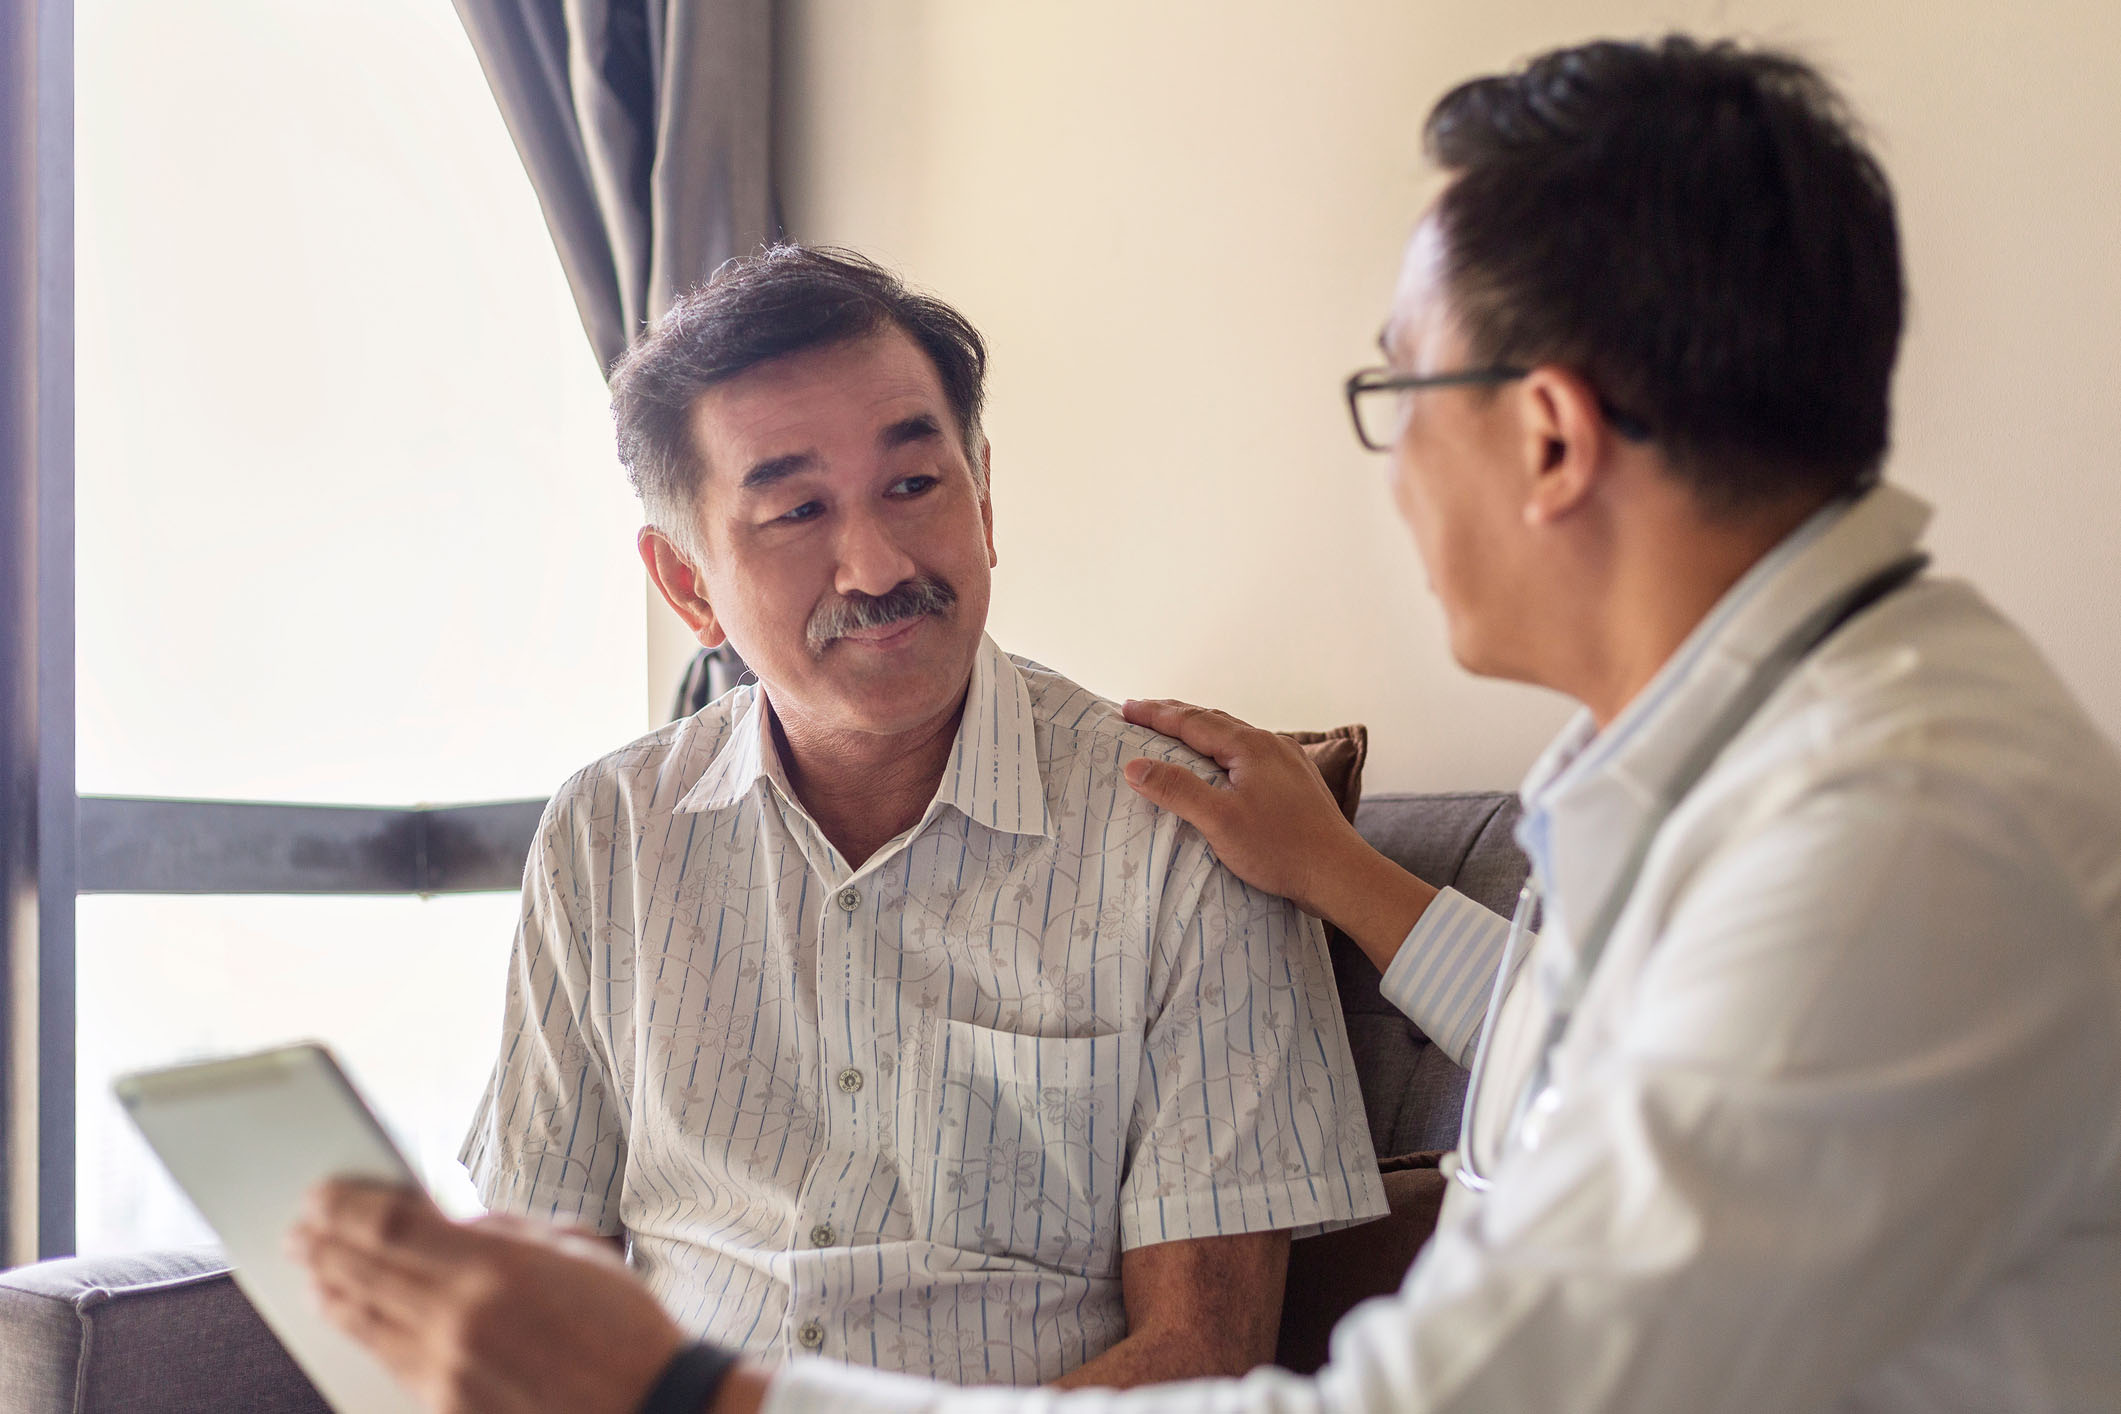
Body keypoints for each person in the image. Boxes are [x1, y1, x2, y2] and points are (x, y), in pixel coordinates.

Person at [294, 34, 2121, 1414]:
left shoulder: (1891, 839)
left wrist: (698, 1393)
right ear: (686, 581)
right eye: (788, 507)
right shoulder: (1751, 777)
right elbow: (1587, 1060)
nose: (1391, 461)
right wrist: (1348, 879)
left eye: (1399, 390)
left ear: (1548, 435)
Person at [443, 245, 1385, 1392]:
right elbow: (542, 1294)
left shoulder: (1189, 833)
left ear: (983, 498)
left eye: (914, 485)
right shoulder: (605, 833)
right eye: (796, 510)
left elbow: (1200, 1361)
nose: (878, 563)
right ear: (687, 584)